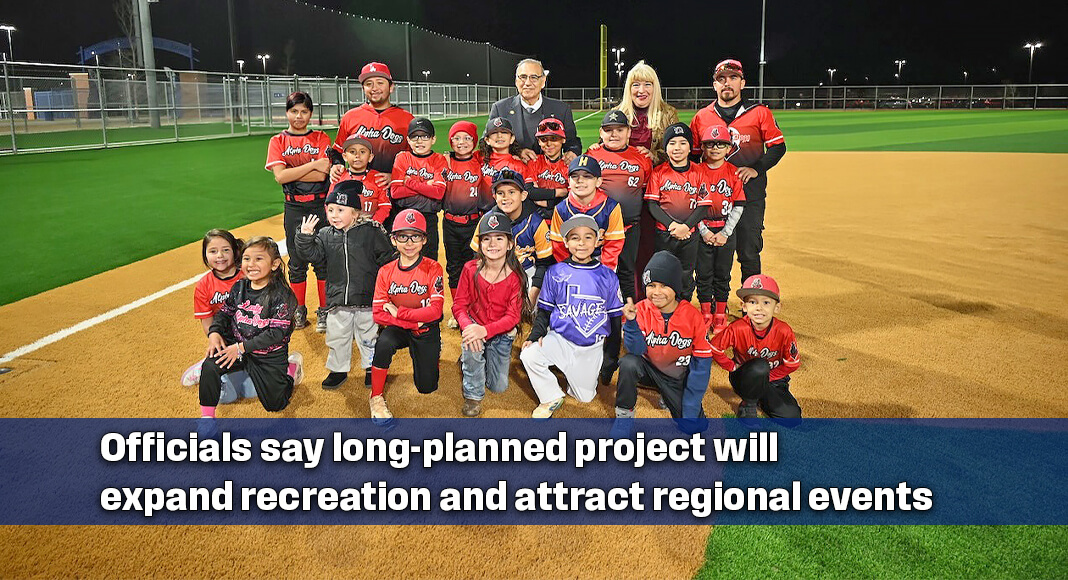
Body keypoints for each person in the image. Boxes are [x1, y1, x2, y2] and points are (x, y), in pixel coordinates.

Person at [689, 59, 786, 287]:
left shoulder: (759, 113)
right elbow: (693, 156)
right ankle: (713, 302)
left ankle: (750, 300)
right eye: (721, 79)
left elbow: (778, 147)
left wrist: (756, 168)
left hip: (749, 194)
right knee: (709, 253)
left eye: (733, 78)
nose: (727, 83)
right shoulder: (702, 117)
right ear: (714, 85)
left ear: (742, 83)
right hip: (711, 198)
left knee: (749, 252)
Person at [293, 181, 396, 390]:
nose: (334, 215)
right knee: (337, 337)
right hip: (338, 299)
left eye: (341, 210)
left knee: (369, 336)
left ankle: (371, 368)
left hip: (367, 297)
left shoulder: (372, 231)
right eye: (330, 210)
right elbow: (312, 255)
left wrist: (387, 292)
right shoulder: (324, 234)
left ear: (355, 213)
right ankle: (338, 370)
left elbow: (387, 260)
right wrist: (305, 237)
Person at [197, 237, 305, 433]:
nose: (251, 264)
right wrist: (214, 332)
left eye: (258, 259)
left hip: (267, 355)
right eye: (247, 259)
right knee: (210, 365)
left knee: (276, 405)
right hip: (238, 346)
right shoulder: (239, 287)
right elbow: (224, 313)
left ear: (274, 264)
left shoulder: (283, 295)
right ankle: (207, 418)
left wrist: (240, 348)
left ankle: (291, 369)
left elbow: (276, 333)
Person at [521, 215, 623, 419]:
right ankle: (550, 395)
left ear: (597, 241)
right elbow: (545, 310)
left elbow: (614, 318)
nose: (581, 243)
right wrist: (535, 335)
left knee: (584, 397)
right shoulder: (555, 272)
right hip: (561, 339)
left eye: (588, 237)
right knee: (529, 355)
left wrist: (611, 357)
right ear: (566, 243)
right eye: (575, 238)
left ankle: (574, 375)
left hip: (591, 347)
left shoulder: (608, 275)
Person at [615, 251, 714, 435]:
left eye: (664, 285)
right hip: (648, 369)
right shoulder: (641, 309)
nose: (657, 292)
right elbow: (635, 349)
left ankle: (667, 395)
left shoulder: (692, 316)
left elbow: (702, 364)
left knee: (694, 427)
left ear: (676, 287)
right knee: (629, 363)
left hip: (676, 376)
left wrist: (690, 407)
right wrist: (631, 322)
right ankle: (624, 417)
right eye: (651, 285)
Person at [370, 209, 445, 424]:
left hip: (425, 329)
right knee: (384, 343)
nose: (409, 243)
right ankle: (376, 397)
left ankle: (429, 354)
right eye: (403, 236)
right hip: (406, 327)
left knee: (427, 387)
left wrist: (400, 312)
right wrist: (412, 321)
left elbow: (436, 311)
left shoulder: (433, 268)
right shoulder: (385, 271)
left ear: (424, 240)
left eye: (415, 236)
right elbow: (378, 314)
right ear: (393, 240)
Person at [452, 212, 530, 417]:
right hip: (474, 325)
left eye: (499, 238)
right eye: (486, 238)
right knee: (472, 345)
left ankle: (479, 356)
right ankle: (472, 395)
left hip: (501, 332)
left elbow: (513, 317)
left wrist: (484, 331)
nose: (492, 244)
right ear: (479, 244)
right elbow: (459, 305)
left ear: (510, 244)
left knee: (498, 386)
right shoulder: (470, 269)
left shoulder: (516, 276)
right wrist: (470, 328)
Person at [265, 91, 331, 332]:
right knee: (297, 261)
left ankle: (324, 310)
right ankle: (299, 309)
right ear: (287, 113)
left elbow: (322, 175)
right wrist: (312, 165)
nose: (299, 116)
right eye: (294, 111)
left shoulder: (321, 137)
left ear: (311, 113)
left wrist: (293, 171)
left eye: (304, 111)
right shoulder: (278, 141)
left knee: (323, 259)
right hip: (294, 206)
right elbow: (280, 176)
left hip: (320, 205)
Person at [709, 274, 801, 425]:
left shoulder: (784, 331)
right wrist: (731, 366)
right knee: (760, 366)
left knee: (791, 418)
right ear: (744, 306)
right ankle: (749, 403)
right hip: (745, 378)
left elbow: (792, 364)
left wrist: (767, 379)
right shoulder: (737, 328)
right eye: (752, 302)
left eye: (766, 302)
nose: (759, 308)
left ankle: (761, 398)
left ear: (777, 307)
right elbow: (714, 347)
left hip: (773, 381)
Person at [179, 229, 256, 405]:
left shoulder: (248, 276)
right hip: (225, 340)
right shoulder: (203, 285)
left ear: (235, 251)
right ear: (205, 256)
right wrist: (216, 342)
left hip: (251, 337)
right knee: (228, 397)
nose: (220, 256)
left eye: (225, 250)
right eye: (213, 251)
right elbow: (208, 324)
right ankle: (205, 367)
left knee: (251, 392)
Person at [584, 110, 652, 301]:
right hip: (599, 228)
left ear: (629, 132)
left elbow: (645, 189)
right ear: (601, 132)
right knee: (597, 270)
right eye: (608, 130)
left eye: (619, 129)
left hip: (629, 227)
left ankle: (628, 312)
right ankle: (597, 308)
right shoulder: (592, 155)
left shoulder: (642, 157)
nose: (614, 134)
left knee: (627, 271)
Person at [470, 169, 554, 303]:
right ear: (494, 196)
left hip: (528, 274)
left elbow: (544, 263)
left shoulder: (535, 223)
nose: (505, 197)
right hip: (497, 272)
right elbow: (477, 256)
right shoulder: (487, 220)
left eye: (511, 192)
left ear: (523, 195)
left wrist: (532, 296)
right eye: (500, 193)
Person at [645, 123, 706, 303]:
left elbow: (703, 206)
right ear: (665, 148)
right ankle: (664, 307)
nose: (677, 148)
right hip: (664, 233)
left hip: (690, 233)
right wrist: (672, 226)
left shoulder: (699, 172)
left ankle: (684, 305)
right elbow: (652, 205)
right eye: (672, 143)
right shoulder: (658, 172)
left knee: (686, 273)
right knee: (663, 271)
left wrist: (686, 227)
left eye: (683, 143)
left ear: (690, 147)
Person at [697, 124, 746, 332]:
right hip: (703, 231)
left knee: (723, 274)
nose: (715, 148)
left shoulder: (734, 172)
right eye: (710, 144)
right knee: (703, 274)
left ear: (729, 148)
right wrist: (704, 231)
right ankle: (705, 313)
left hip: (726, 232)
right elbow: (691, 205)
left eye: (721, 144)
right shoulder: (696, 171)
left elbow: (739, 206)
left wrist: (725, 233)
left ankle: (720, 314)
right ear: (703, 147)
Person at [488, 58, 581, 162]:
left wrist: (572, 152)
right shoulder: (500, 109)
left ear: (543, 81)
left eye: (534, 77)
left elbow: (572, 142)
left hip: (550, 171)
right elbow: (487, 144)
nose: (527, 83)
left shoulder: (561, 109)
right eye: (523, 77)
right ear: (516, 81)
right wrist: (517, 152)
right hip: (513, 170)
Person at [441, 120, 487, 328]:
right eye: (457, 138)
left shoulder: (480, 159)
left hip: (474, 222)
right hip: (450, 222)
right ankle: (457, 310)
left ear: (474, 141)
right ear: (450, 141)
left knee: (475, 267)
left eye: (467, 138)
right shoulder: (444, 160)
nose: (462, 142)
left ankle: (475, 308)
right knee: (454, 267)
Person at [331, 62, 414, 176]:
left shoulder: (407, 119)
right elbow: (337, 151)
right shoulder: (350, 117)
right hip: (358, 184)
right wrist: (336, 165)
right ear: (363, 88)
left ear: (391, 87)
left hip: (394, 186)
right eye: (369, 84)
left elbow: (416, 159)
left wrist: (396, 177)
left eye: (380, 83)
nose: (374, 88)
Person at [547, 154, 625, 271]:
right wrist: (569, 269)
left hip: (601, 259)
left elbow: (613, 244)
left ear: (598, 181)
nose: (580, 180)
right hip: (571, 261)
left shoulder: (610, 207)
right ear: (568, 181)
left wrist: (603, 272)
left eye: (587, 176)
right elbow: (558, 245)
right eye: (574, 176)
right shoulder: (561, 208)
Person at [390, 117, 447, 261]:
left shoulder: (439, 159)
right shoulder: (402, 158)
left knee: (429, 259)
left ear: (433, 139)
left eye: (425, 136)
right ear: (408, 140)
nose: (419, 141)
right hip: (403, 215)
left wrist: (409, 182)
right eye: (414, 137)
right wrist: (426, 185)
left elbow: (438, 193)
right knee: (404, 258)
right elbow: (395, 192)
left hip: (429, 218)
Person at [616, 60, 679, 165]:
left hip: (657, 172)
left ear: (655, 88)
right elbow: (605, 147)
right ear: (629, 88)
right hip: (622, 171)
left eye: (647, 84)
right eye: (636, 85)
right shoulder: (617, 114)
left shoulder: (668, 114)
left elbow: (678, 149)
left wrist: (654, 156)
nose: (641, 90)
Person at [330, 136, 392, 224]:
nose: (357, 156)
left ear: (370, 157)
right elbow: (329, 205)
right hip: (343, 226)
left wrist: (372, 225)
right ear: (345, 156)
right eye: (352, 152)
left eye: (362, 152)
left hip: (370, 225)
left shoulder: (378, 178)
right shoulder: (338, 176)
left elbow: (385, 207)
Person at [524, 117, 571, 219]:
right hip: (537, 216)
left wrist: (546, 201)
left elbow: (571, 196)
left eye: (554, 138)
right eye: (544, 139)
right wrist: (559, 192)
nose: (549, 144)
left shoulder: (570, 164)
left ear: (563, 139)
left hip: (563, 215)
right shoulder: (534, 162)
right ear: (539, 142)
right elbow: (529, 192)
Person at [478, 117, 530, 193]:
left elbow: (526, 193)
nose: (499, 136)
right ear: (487, 140)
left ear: (512, 139)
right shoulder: (478, 157)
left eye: (504, 132)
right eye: (494, 132)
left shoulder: (519, 166)